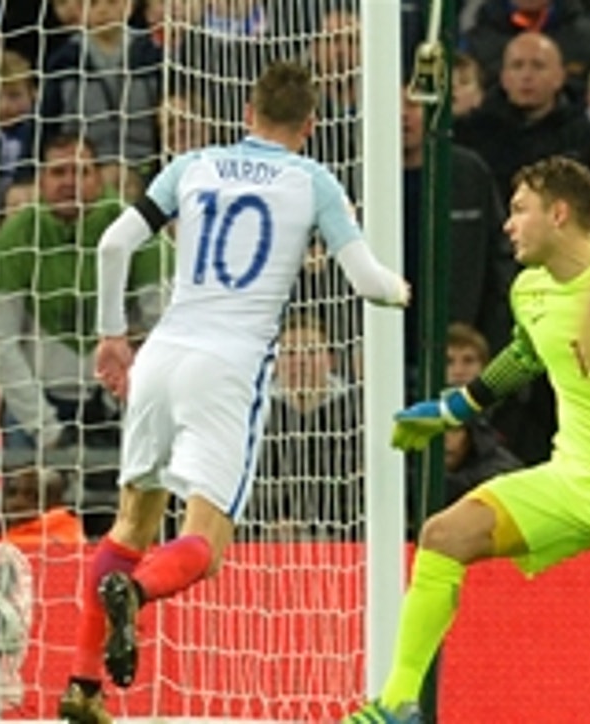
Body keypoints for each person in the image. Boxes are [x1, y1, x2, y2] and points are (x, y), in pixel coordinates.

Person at [57, 61, 410, 723]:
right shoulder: (314, 181)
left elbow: (113, 244)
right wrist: (400, 289)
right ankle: (131, 593)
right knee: (204, 545)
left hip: (161, 352)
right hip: (228, 368)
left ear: (247, 115)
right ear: (309, 126)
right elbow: (365, 281)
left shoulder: (192, 164)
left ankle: (82, 687)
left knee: (131, 521)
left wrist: (112, 337)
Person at [343, 156, 590, 724]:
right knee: (443, 535)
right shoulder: (528, 289)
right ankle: (398, 701)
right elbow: (526, 356)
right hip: (569, 477)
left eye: (518, 210)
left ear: (559, 213)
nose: (507, 225)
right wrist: (450, 409)